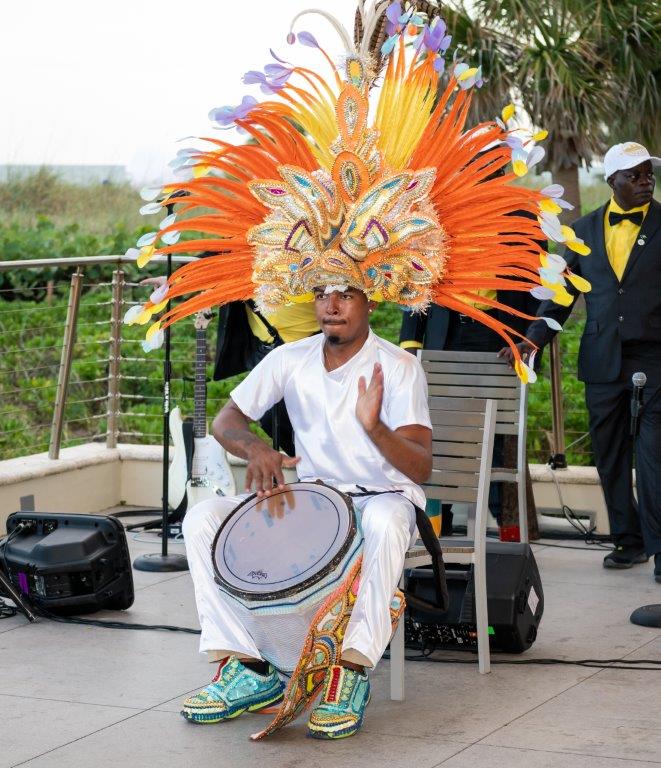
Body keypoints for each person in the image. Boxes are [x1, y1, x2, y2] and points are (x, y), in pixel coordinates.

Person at [181, 285, 433, 738]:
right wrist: (256, 448)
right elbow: (225, 421)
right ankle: (249, 666)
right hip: (316, 502)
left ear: (372, 301)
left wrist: (374, 427)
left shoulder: (398, 366)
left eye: (345, 295)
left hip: (381, 497)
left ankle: (351, 669)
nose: (331, 306)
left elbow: (420, 467)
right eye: (321, 294)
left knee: (388, 519)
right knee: (203, 519)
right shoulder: (289, 358)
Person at [500, 141, 661, 581]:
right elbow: (559, 297)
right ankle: (628, 542)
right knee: (610, 455)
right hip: (602, 358)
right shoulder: (583, 230)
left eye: (649, 173)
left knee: (654, 458)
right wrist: (531, 342)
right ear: (612, 181)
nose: (645, 181)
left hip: (654, 358)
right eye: (635, 175)